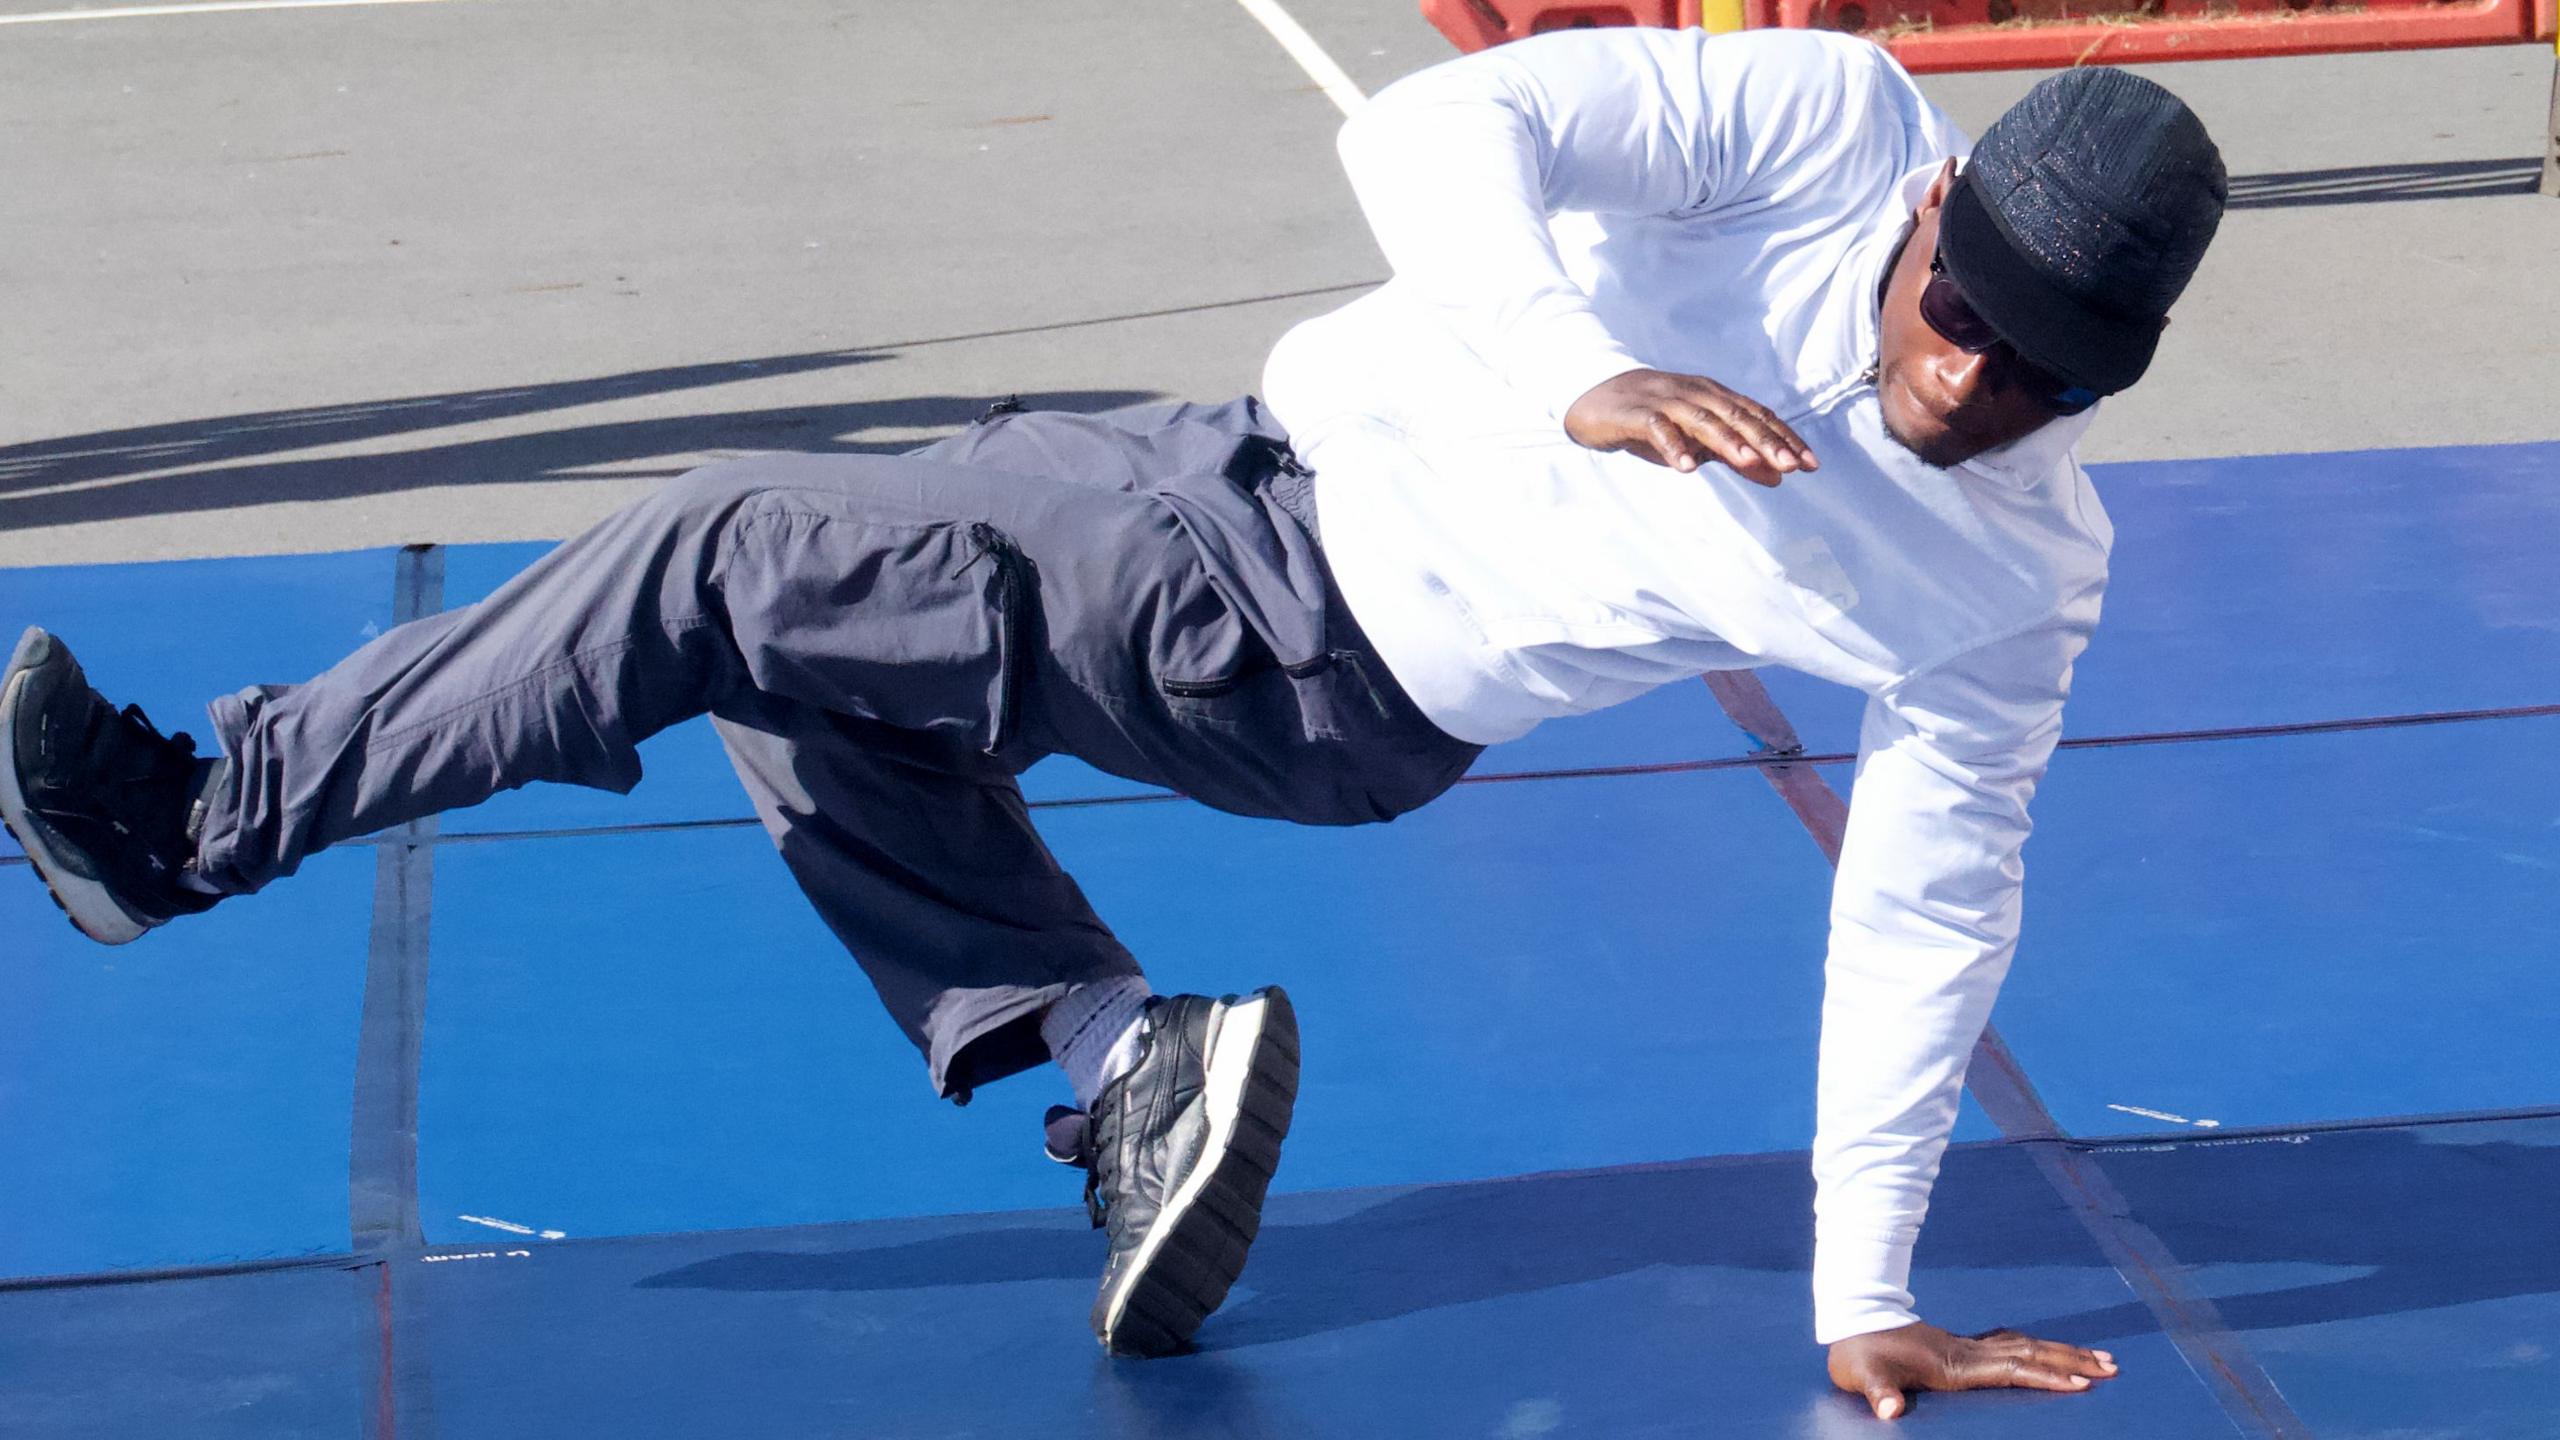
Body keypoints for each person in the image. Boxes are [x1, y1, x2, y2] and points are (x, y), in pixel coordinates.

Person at [1, 26, 2223, 1415]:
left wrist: (1865, 1284)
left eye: (2044, 376)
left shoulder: (2010, 572)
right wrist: (1572, 365)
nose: (1964, 389)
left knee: (714, 554)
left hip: (1281, 632)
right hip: (1209, 474)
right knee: (803, 648)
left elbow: (1928, 908)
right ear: (1930, 202)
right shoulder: (1824, 120)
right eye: (1959, 319)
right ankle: (1115, 1065)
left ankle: (194, 820)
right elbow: (1451, 128)